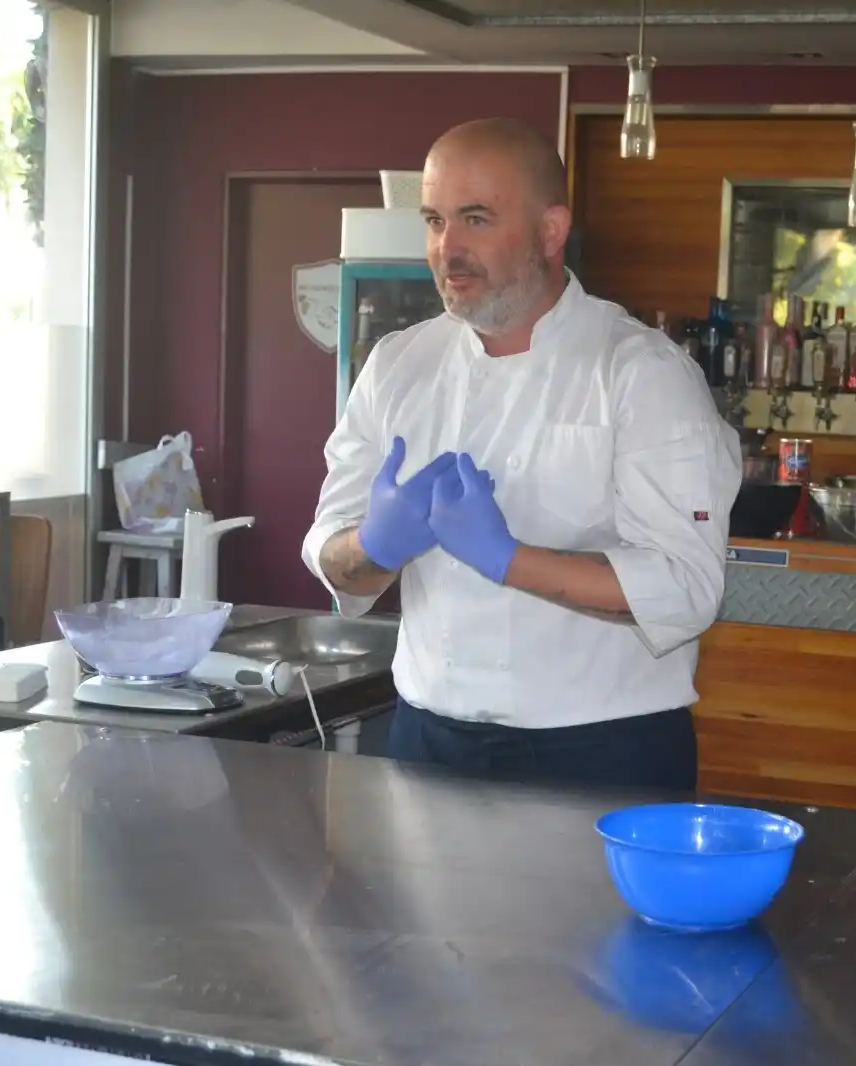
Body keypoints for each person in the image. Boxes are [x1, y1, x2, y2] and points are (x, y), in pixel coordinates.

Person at [301, 117, 742, 791]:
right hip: (426, 739)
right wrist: (374, 546)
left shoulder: (640, 373)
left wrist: (507, 559)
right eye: (433, 220)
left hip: (600, 750)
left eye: (475, 219)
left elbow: (685, 588)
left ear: (550, 230)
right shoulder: (395, 365)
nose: (447, 248)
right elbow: (335, 562)